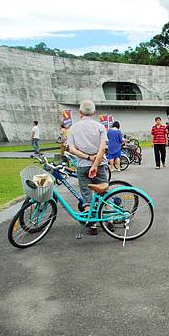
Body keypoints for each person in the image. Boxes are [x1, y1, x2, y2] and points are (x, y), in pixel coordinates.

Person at [67, 100, 108, 235]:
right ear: (94, 112)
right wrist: (95, 163)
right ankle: (109, 221)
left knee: (86, 196)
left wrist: (88, 158)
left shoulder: (73, 128)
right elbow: (102, 149)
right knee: (104, 193)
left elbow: (72, 149)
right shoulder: (100, 127)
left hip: (82, 165)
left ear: (80, 113)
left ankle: (93, 225)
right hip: (99, 164)